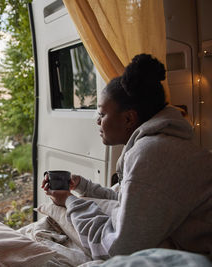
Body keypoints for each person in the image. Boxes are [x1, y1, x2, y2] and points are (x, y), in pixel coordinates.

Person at [41, 54, 212, 260]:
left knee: (55, 213)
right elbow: (132, 203)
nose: (97, 121)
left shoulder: (151, 154)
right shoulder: (161, 145)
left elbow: (116, 248)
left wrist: (70, 202)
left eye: (102, 114)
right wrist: (82, 186)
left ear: (129, 118)